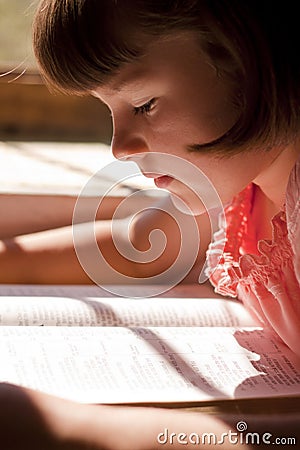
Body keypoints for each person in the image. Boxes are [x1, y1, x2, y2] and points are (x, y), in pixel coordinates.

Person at [0, 1, 299, 447]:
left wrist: (72, 430)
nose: (120, 147)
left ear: (244, 59)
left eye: (144, 104)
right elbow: (138, 246)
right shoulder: (239, 182)